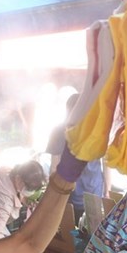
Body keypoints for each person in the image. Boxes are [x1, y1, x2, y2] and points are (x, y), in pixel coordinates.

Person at [48, 93, 107, 223]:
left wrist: (53, 196)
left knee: (70, 231)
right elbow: (106, 162)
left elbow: (54, 167)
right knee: (91, 231)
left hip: (71, 192)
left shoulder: (58, 130)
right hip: (90, 191)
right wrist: (107, 189)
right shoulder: (97, 129)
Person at [0, 160, 47, 241]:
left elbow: (14, 191)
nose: (31, 191)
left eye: (35, 189)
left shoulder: (8, 173)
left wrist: (23, 200)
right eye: (29, 188)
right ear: (18, 178)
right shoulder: (3, 200)